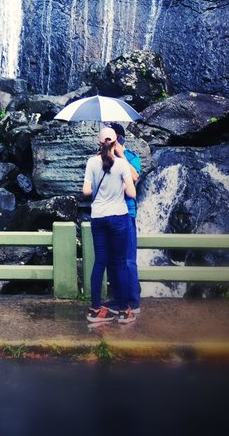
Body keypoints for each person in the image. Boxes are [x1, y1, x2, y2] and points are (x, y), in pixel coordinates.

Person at [82, 126, 138, 325]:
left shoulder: (91, 162)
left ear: (99, 142)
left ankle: (95, 309)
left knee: (100, 263)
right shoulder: (122, 164)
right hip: (119, 217)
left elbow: (86, 191)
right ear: (116, 142)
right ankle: (124, 311)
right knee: (121, 262)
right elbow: (132, 194)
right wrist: (121, 185)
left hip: (98, 217)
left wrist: (99, 186)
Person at [110, 121, 141, 316]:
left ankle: (133, 302)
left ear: (120, 139)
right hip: (108, 213)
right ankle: (119, 298)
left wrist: (120, 155)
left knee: (128, 259)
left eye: (111, 138)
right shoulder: (104, 158)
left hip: (126, 214)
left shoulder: (131, 157)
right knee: (114, 259)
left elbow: (135, 177)